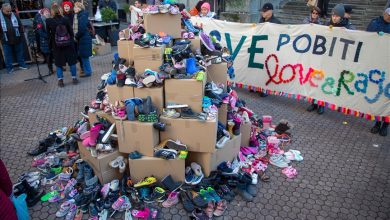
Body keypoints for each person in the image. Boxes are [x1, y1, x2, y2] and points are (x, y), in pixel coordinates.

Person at [366, 8, 390, 137]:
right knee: (378, 95)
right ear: (385, 13)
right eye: (388, 15)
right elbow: (367, 36)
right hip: (377, 64)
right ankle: (377, 123)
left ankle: (385, 125)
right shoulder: (375, 22)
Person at [46, 4, 78, 87]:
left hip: (56, 45)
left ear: (52, 11)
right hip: (68, 44)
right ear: (60, 10)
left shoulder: (48, 21)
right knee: (72, 62)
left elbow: (48, 35)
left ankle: (60, 81)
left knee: (59, 64)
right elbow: (71, 33)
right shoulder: (66, 19)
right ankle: (74, 78)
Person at [0, 3, 28, 73]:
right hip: (5, 39)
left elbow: (20, 25)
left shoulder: (14, 15)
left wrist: (21, 35)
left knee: (20, 52)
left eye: (10, 11)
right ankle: (9, 68)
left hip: (17, 37)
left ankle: (22, 65)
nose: (9, 13)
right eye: (7, 11)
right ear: (3, 10)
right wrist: (2, 37)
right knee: (7, 55)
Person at [73, 2, 92, 78]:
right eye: (74, 7)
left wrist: (76, 36)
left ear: (80, 8)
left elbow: (82, 29)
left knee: (84, 57)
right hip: (84, 38)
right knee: (84, 56)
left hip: (84, 38)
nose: (74, 8)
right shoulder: (80, 15)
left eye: (76, 7)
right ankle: (87, 71)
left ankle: (88, 72)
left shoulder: (82, 16)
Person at [35, 8, 54, 75]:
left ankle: (54, 68)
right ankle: (50, 69)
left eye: (48, 12)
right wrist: (49, 36)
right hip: (45, 41)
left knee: (52, 55)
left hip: (51, 40)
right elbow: (40, 32)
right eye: (46, 12)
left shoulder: (51, 19)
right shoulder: (39, 21)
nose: (47, 13)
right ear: (42, 13)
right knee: (48, 56)